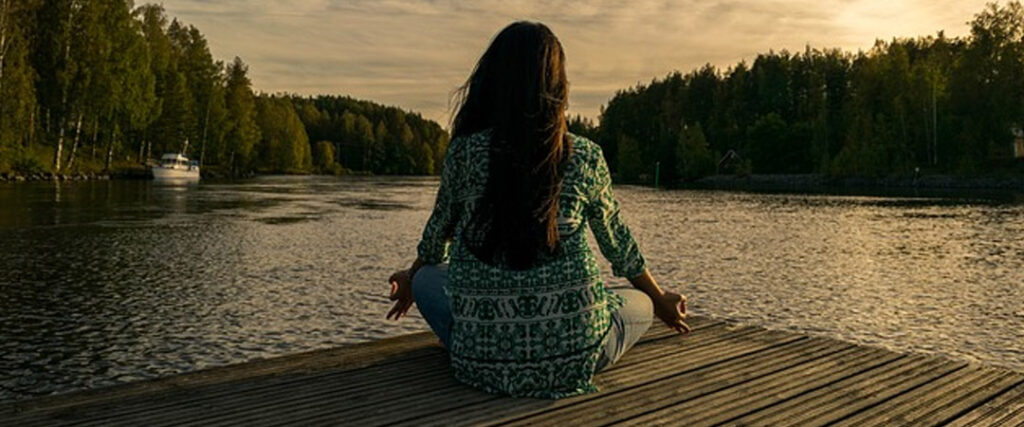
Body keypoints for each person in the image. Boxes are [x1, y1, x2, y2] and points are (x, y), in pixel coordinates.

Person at [386, 21, 689, 399]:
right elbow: (619, 246)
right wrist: (660, 300)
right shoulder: (585, 156)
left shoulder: (463, 153)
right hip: (576, 357)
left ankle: (486, 339)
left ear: (492, 82)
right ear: (557, 86)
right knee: (639, 301)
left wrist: (412, 277)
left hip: (479, 362)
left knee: (430, 277)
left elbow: (435, 241)